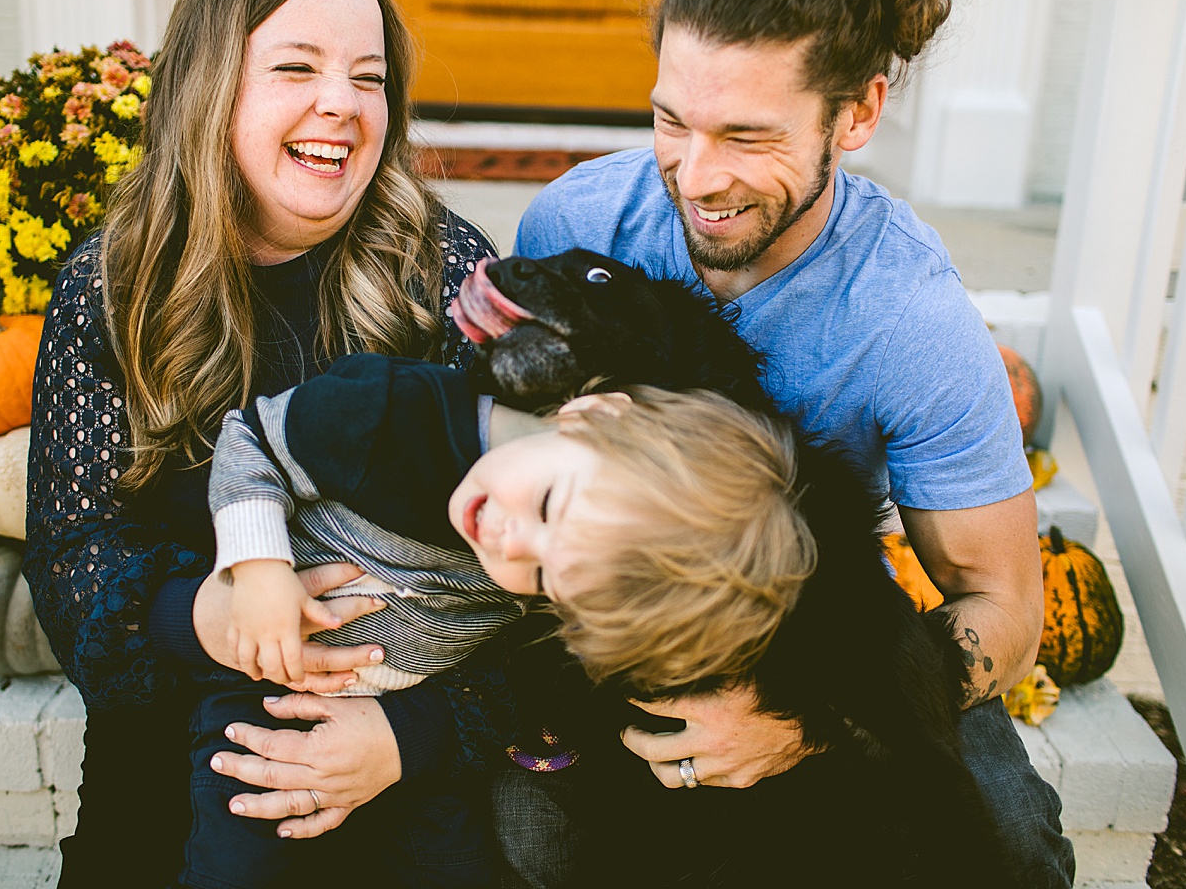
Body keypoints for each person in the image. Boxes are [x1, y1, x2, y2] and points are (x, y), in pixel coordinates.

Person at [511, 0, 1073, 886]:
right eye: (672, 121)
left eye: (747, 136)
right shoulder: (575, 227)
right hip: (614, 642)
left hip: (830, 648)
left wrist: (806, 720)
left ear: (856, 114)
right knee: (533, 837)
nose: (695, 175)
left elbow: (1007, 608)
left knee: (1007, 841)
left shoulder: (914, 320)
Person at [21, 0, 505, 886]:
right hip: (188, 726)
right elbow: (74, 552)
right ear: (211, 87)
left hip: (402, 719)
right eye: (297, 67)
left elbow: (546, 568)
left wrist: (405, 736)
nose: (342, 103)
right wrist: (207, 614)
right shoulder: (113, 284)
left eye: (368, 79)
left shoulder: (443, 273)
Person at [183, 351, 815, 887]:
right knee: (241, 862)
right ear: (592, 415)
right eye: (547, 502)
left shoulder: (589, 554)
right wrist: (258, 565)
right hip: (272, 677)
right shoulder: (398, 417)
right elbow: (253, 438)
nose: (511, 541)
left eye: (546, 576)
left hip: (409, 710)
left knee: (459, 865)